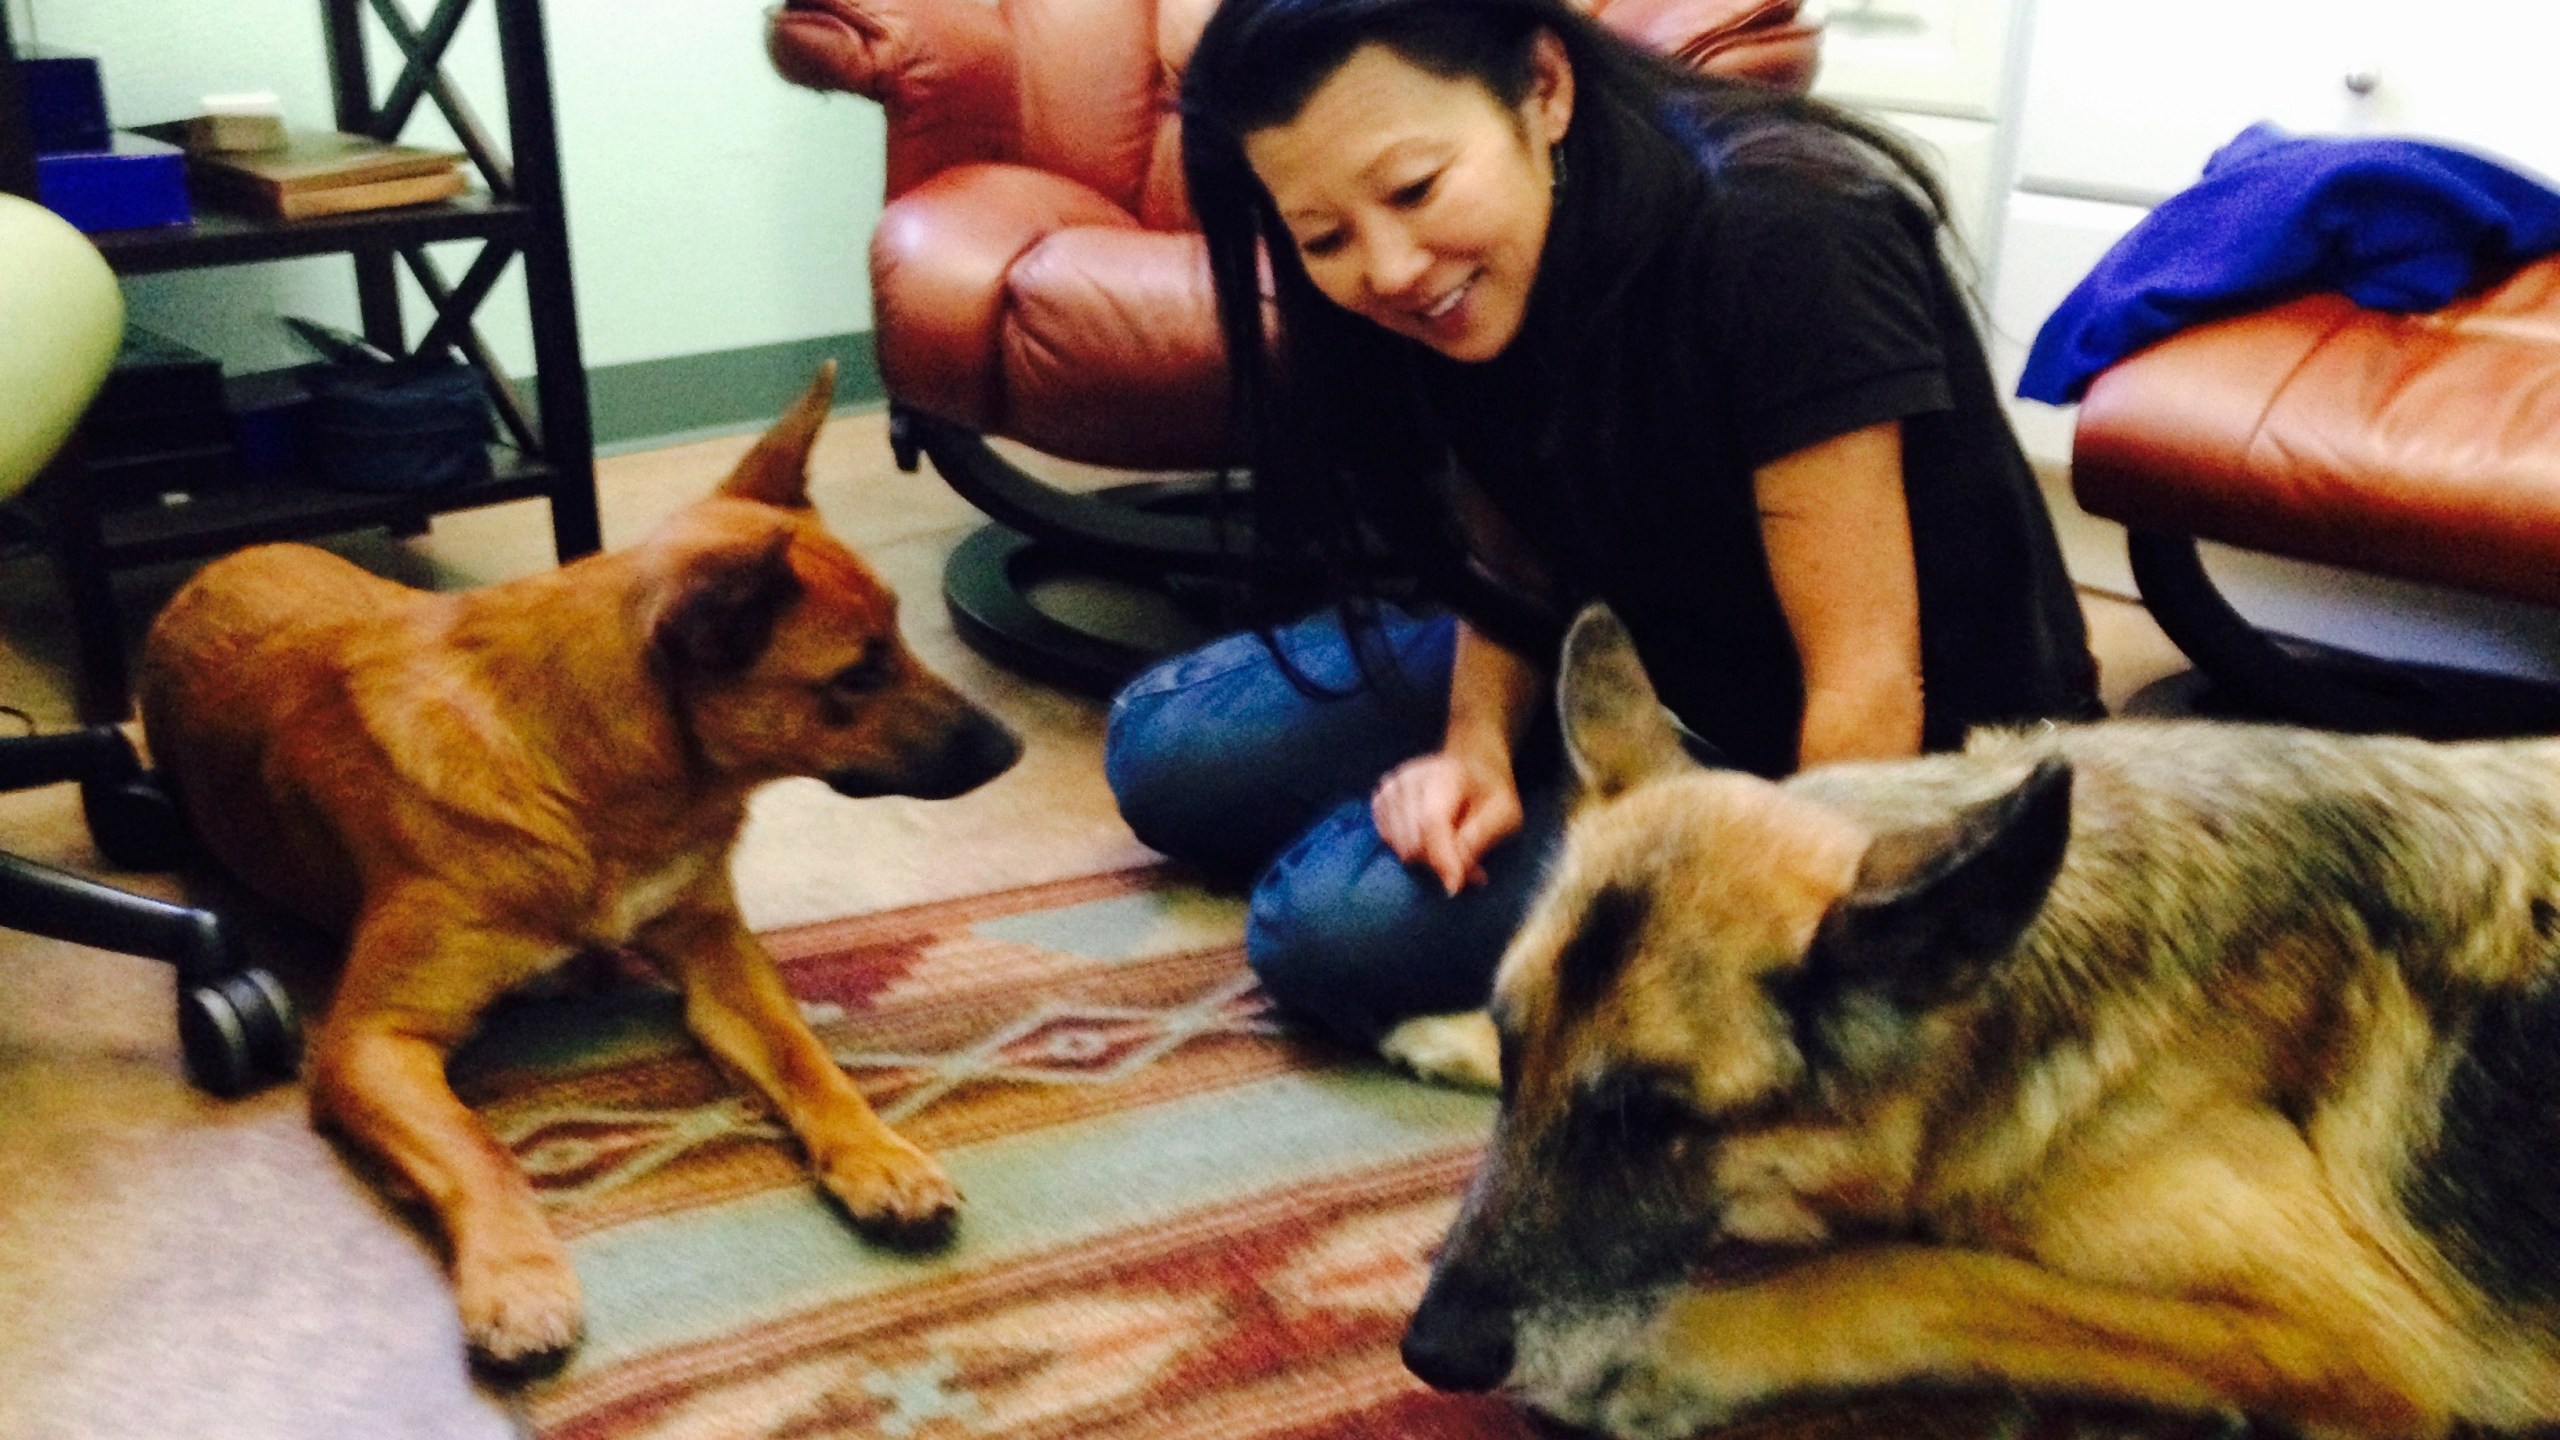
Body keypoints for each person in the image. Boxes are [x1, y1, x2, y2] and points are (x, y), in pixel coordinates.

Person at [1105, 0, 2102, 1080]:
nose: (1389, 269)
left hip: (1875, 745)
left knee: (1323, 935)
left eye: (1414, 189)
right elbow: (1513, 542)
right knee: (1168, 756)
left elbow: (1866, 678)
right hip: (1630, 660)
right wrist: (1472, 750)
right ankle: (1521, 815)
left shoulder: (1790, 232)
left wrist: (1751, 934)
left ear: (1544, 88)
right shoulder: (1449, 281)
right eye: (1324, 238)